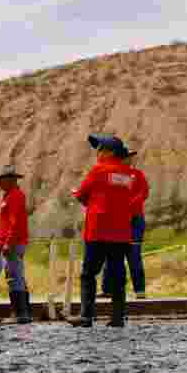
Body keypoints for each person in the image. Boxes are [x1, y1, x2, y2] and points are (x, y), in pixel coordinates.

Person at [69, 135, 146, 328]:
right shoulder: (129, 174)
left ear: (110, 152)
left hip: (98, 231)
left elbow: (82, 194)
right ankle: (118, 318)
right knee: (118, 273)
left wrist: (83, 198)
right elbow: (139, 196)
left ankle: (86, 316)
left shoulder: (98, 170)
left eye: (100, 148)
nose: (97, 152)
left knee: (89, 273)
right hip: (121, 231)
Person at [101, 148, 149, 300]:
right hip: (116, 219)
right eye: (127, 157)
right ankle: (108, 289)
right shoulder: (113, 175)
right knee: (111, 254)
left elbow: (144, 192)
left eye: (130, 157)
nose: (129, 159)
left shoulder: (138, 174)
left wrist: (129, 204)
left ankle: (139, 290)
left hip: (134, 219)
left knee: (134, 255)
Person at [0, 166, 31, 323]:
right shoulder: (9, 196)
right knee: (16, 276)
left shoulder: (15, 196)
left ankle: (20, 314)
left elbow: (15, 223)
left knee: (14, 277)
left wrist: (8, 242)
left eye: (1, 180)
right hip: (11, 242)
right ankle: (23, 312)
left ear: (10, 180)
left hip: (13, 243)